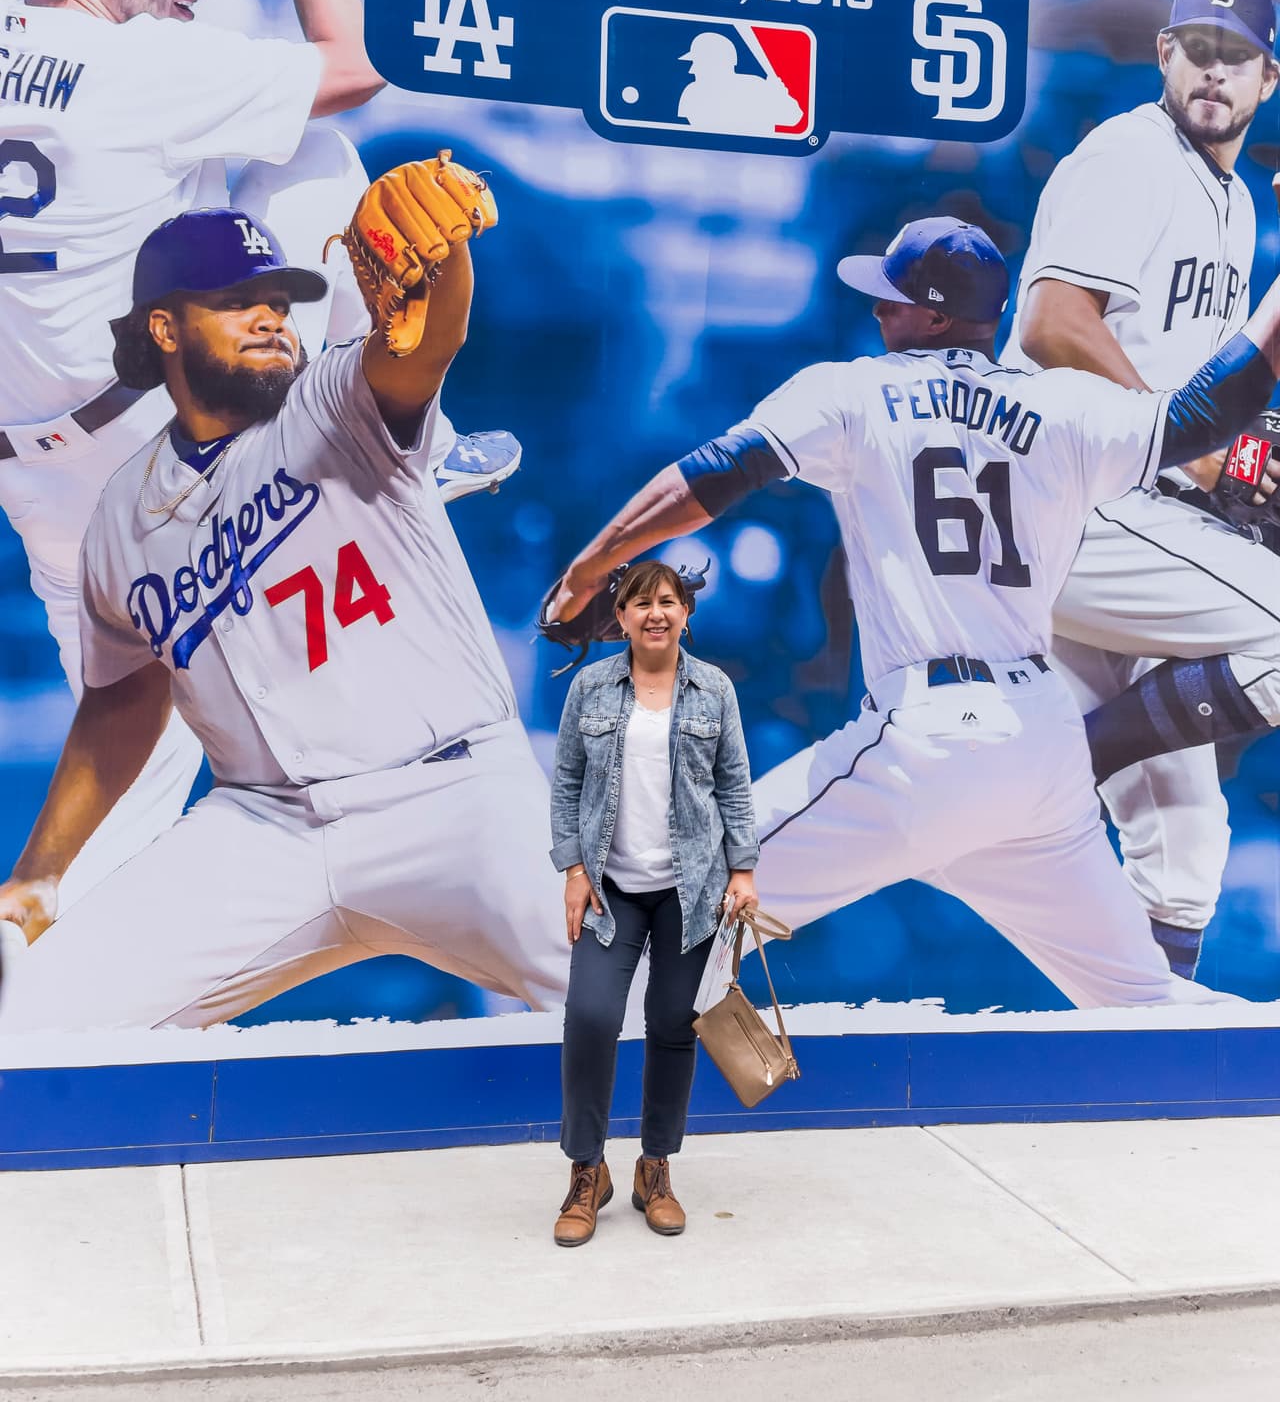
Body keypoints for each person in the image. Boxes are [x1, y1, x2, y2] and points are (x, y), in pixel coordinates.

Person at [546, 215, 1280, 1013]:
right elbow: (1211, 411)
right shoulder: (1067, 407)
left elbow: (719, 471)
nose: (878, 308)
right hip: (1039, 749)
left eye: (893, 297)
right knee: (1146, 1006)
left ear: (932, 316)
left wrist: (589, 571)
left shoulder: (853, 390)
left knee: (664, 912)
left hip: (930, 741)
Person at [0, 0, 517, 908]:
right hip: (154, 433)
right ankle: (395, 441)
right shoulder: (147, 65)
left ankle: (39, 950)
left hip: (32, 469)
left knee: (126, 733)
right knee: (312, 145)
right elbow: (355, 59)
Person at [0, 162, 568, 1030]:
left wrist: (443, 263)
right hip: (263, 830)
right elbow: (123, 700)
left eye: (281, 298)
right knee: (32, 1027)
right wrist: (41, 872)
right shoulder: (119, 515)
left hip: (452, 799)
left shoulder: (335, 402)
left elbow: (425, 343)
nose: (270, 315)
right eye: (237, 301)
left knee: (658, 1009)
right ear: (164, 327)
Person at [1004, 0, 1280, 977]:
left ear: (1267, 79)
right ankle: (1050, 772)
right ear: (1164, 55)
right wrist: (1193, 448)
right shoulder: (1129, 155)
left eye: (1235, 57)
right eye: (1196, 49)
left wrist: (1232, 447)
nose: (1213, 72)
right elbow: (1051, 322)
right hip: (1067, 488)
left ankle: (1143, 1031)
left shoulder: (1234, 204)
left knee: (1181, 840)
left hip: (1122, 507)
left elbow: (1199, 382)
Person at [549, 561, 758, 1247]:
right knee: (590, 1018)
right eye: (641, 603)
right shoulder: (590, 686)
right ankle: (587, 1172)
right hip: (610, 891)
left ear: (686, 614)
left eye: (667, 601)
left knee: (672, 1025)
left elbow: (733, 785)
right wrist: (573, 867)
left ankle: (655, 1169)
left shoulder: (714, 689)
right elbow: (567, 782)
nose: (655, 613)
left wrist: (743, 870)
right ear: (621, 618)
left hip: (689, 893)